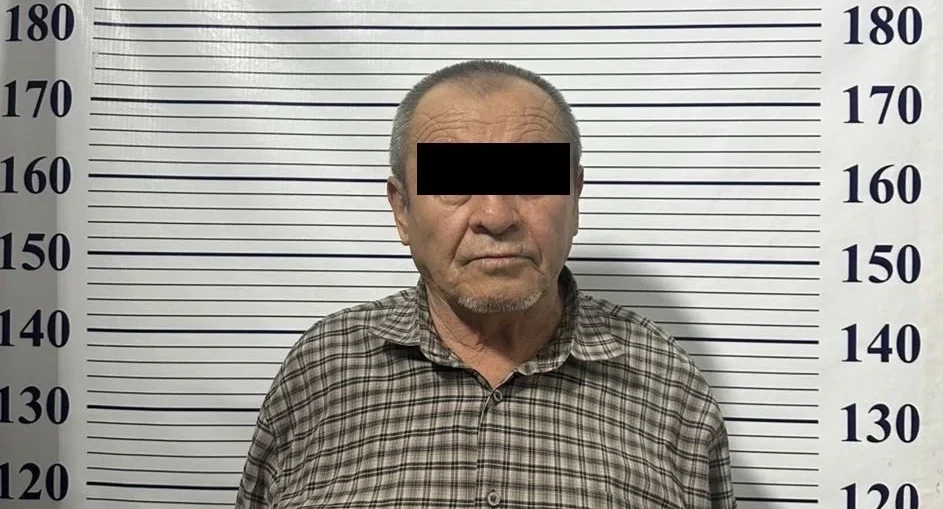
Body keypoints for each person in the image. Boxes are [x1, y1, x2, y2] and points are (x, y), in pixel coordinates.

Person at [235, 59, 737, 508]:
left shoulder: (669, 385)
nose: (496, 216)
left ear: (575, 197)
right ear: (402, 210)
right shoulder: (322, 369)